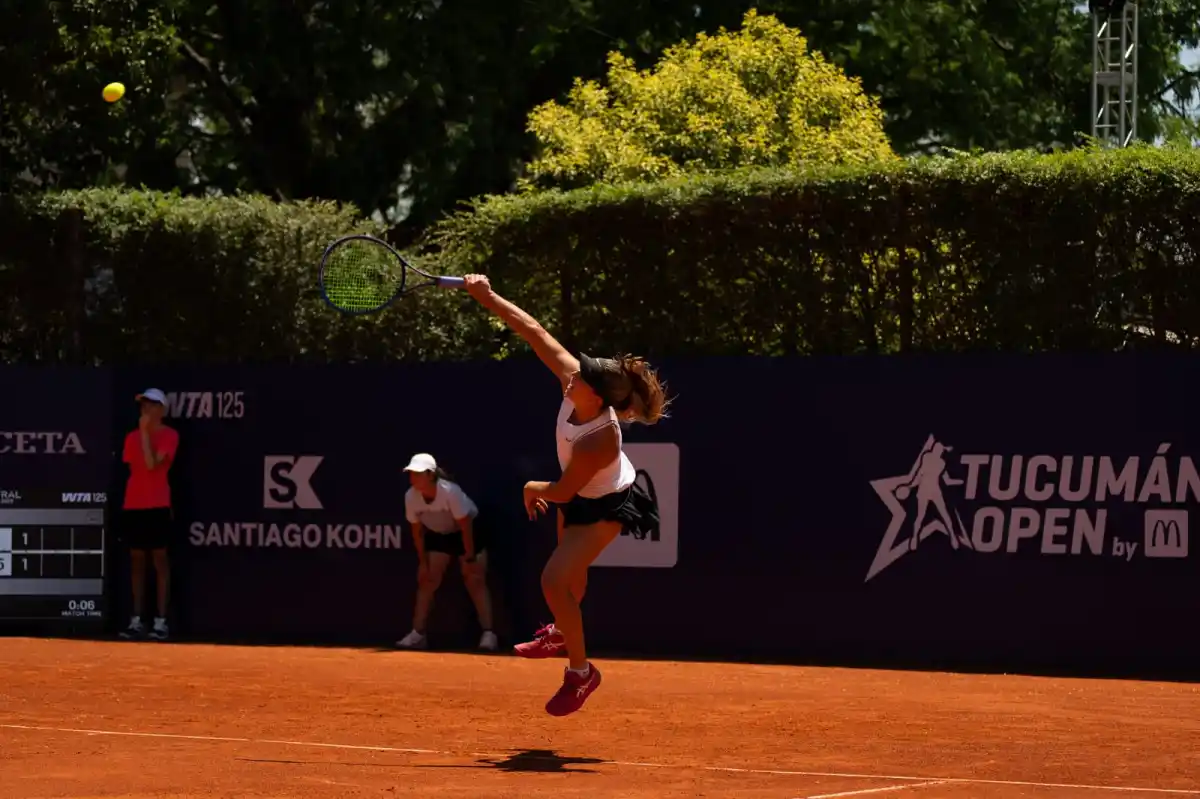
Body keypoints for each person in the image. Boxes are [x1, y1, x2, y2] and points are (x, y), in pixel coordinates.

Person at [462, 273, 669, 717]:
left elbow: (560, 491)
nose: (571, 376)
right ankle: (561, 630)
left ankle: (581, 673)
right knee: (569, 583)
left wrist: (530, 487)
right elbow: (532, 329)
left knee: (554, 581)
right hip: (578, 493)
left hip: (606, 504)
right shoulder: (577, 382)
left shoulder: (601, 439)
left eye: (582, 379)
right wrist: (487, 295)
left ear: (597, 399)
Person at [395, 453, 498, 652]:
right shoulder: (410, 496)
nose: (412, 478)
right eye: (411, 473)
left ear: (430, 475)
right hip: (439, 534)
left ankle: (489, 634)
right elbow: (417, 533)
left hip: (467, 532)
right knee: (427, 580)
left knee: (474, 579)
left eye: (417, 473)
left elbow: (465, 525)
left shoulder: (450, 492)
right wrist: (423, 563)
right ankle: (418, 635)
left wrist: (469, 555)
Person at [117, 388, 180, 641]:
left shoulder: (170, 436)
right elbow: (137, 466)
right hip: (134, 504)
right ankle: (136, 621)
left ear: (162, 410)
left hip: (158, 504)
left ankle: (161, 622)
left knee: (160, 561)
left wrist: (144, 432)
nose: (145, 408)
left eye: (151, 404)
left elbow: (153, 464)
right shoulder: (130, 438)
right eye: (143, 404)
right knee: (136, 562)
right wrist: (141, 433)